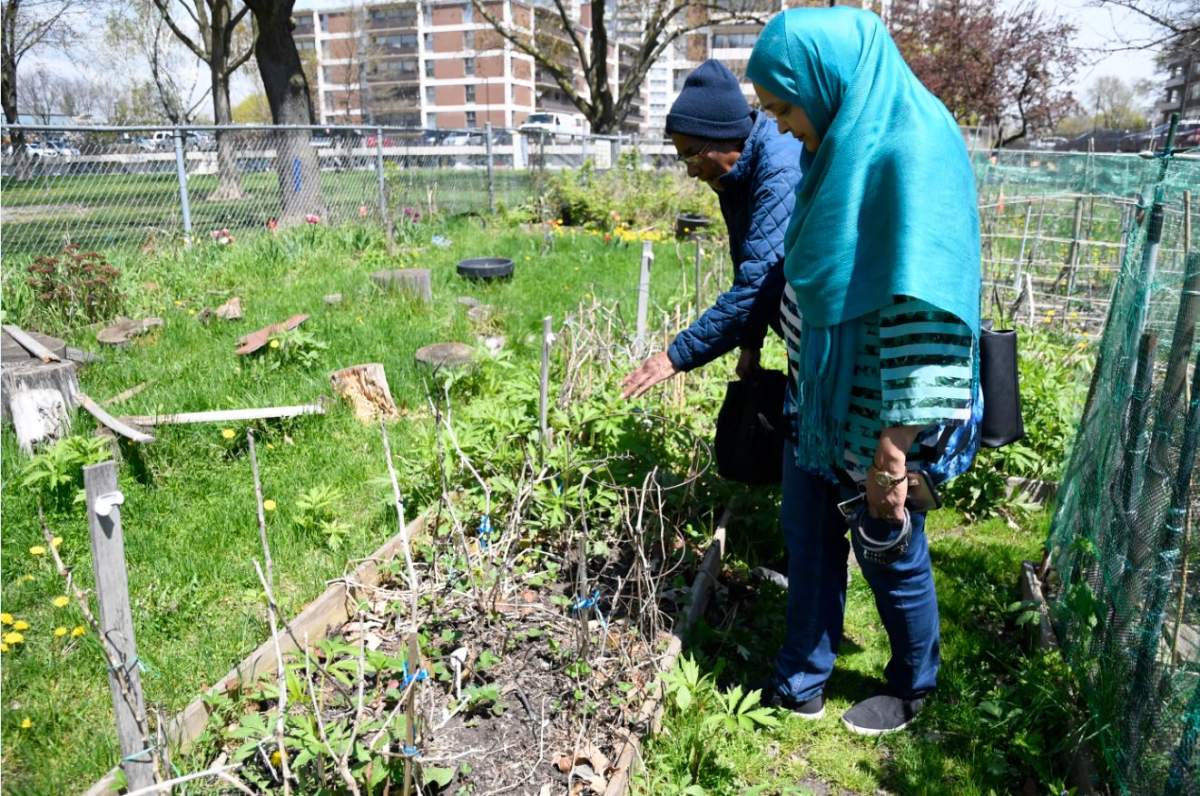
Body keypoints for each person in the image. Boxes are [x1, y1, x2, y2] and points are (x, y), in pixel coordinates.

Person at [745, 6, 983, 735]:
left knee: (887, 547)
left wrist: (895, 447)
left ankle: (915, 683)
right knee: (808, 535)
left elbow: (934, 307)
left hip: (882, 413)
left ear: (828, 81)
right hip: (817, 403)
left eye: (785, 107)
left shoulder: (912, 149)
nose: (781, 126)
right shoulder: (837, 152)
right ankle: (802, 675)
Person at [621, 60, 803, 399]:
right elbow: (752, 262)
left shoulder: (779, 172)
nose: (691, 172)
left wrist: (673, 357)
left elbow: (761, 280)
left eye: (691, 156)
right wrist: (751, 342)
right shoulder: (734, 174)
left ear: (722, 136)